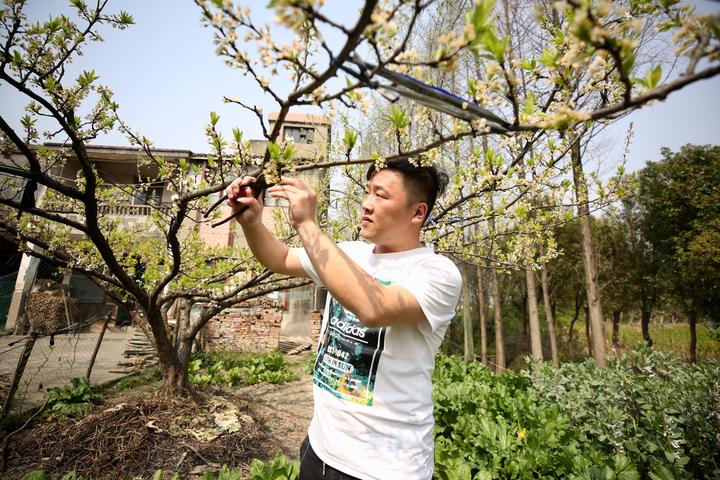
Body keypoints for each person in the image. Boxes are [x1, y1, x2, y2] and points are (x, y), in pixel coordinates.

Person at [225, 159, 462, 480]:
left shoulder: (436, 273)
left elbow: (374, 307)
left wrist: (308, 225)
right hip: (320, 449)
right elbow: (280, 258)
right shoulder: (350, 253)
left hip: (385, 469)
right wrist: (252, 222)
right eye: (367, 192)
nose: (366, 204)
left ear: (417, 213)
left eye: (381, 196)